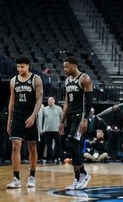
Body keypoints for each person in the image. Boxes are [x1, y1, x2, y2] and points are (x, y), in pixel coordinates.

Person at [5, 56, 44, 189]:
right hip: (17, 116)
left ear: (28, 66)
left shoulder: (36, 79)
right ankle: (16, 178)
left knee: (32, 147)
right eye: (18, 67)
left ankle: (32, 176)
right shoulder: (13, 81)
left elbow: (39, 99)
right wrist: (9, 120)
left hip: (31, 116)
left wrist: (33, 116)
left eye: (22, 66)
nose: (20, 69)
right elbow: (11, 101)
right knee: (15, 145)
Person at [59, 56, 94, 190]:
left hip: (80, 116)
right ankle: (77, 177)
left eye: (67, 66)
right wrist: (62, 121)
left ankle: (84, 174)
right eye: (64, 67)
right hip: (71, 117)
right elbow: (67, 103)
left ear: (74, 65)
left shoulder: (84, 78)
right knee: (71, 148)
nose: (65, 69)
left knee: (72, 144)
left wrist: (85, 119)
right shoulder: (67, 81)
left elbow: (89, 102)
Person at [39, 97, 63, 163]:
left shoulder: (59, 108)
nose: (50, 101)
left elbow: (62, 119)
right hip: (47, 130)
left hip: (56, 129)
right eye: (49, 100)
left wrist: (62, 128)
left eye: (52, 100)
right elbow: (42, 119)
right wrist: (41, 128)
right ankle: (49, 158)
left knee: (58, 144)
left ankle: (57, 157)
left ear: (54, 101)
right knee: (48, 145)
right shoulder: (44, 109)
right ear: (47, 102)